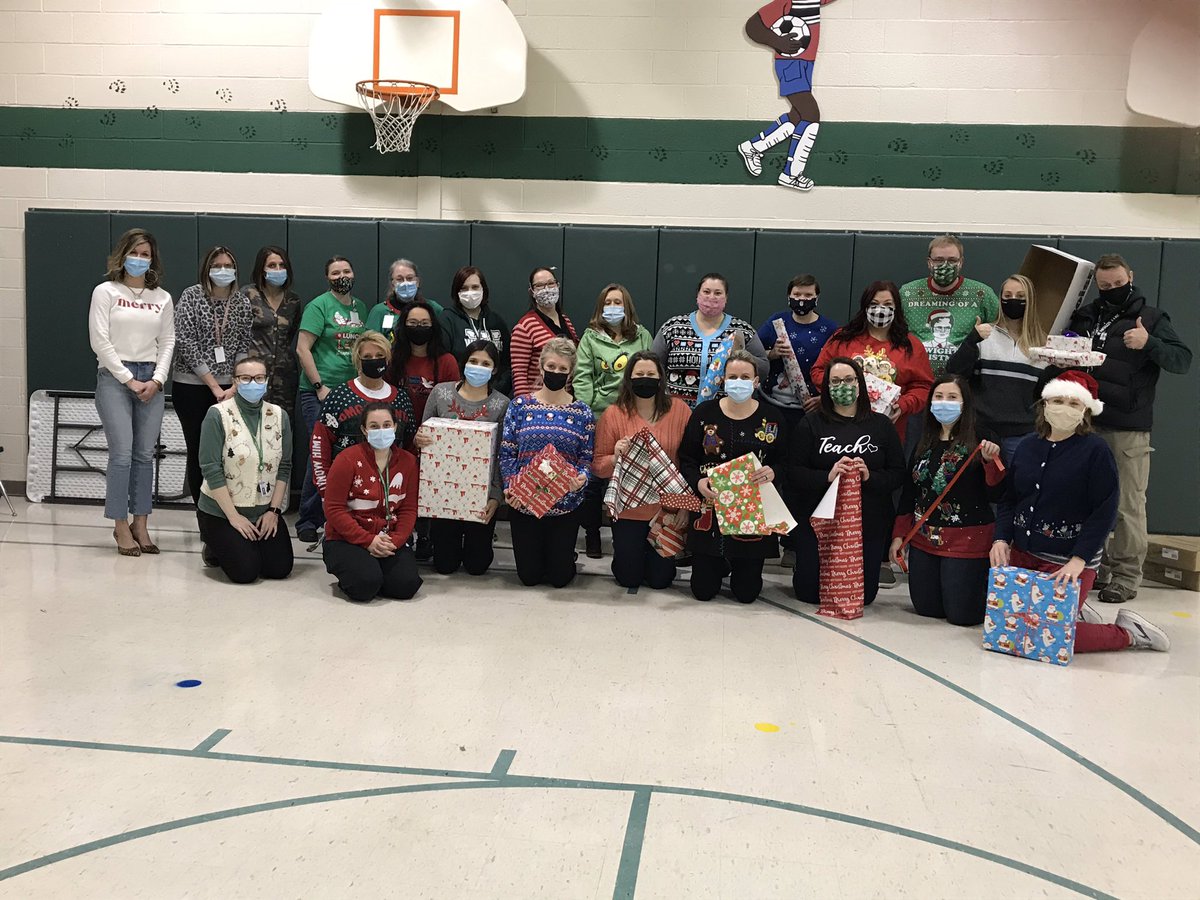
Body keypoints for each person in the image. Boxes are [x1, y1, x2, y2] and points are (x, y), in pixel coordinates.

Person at [991, 371, 1169, 652]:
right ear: (1045, 404)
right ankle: (1077, 611)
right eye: (1058, 400)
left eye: (1074, 403)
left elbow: (1104, 510)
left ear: (1086, 411)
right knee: (1006, 627)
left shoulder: (1095, 451)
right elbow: (1009, 499)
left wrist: (1079, 559)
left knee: (1046, 638)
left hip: (1067, 563)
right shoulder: (1027, 446)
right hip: (1023, 555)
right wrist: (1001, 539)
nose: (1064, 408)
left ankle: (1129, 633)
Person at [1069, 254, 1193, 605]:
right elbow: (1065, 344)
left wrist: (1149, 342)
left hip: (1127, 427)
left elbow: (1182, 360)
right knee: (1086, 503)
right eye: (1105, 286)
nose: (1112, 290)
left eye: (1118, 284)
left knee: (1127, 505)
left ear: (1131, 277)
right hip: (1083, 423)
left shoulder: (1152, 318)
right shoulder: (1087, 316)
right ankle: (1097, 568)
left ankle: (1125, 575)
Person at [789, 357, 906, 608]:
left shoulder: (881, 426)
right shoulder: (811, 423)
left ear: (860, 383)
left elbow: (897, 473)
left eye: (849, 379)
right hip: (818, 520)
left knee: (863, 597)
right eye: (836, 381)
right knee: (810, 593)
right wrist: (826, 476)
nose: (843, 385)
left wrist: (870, 476)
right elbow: (793, 472)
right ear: (827, 387)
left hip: (866, 522)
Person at [889, 375, 1004, 626]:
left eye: (952, 397)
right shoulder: (924, 439)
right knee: (927, 609)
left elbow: (998, 493)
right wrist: (899, 536)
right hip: (924, 538)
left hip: (966, 540)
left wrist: (988, 463)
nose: (944, 403)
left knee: (961, 616)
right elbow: (910, 491)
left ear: (965, 404)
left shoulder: (982, 438)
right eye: (939, 397)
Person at [88, 228, 176, 555]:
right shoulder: (105, 292)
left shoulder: (162, 298)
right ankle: (119, 524)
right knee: (122, 453)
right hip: (115, 377)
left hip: (151, 378)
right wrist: (128, 379)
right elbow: (100, 340)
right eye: (134, 253)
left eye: (145, 255)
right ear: (122, 256)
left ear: (153, 260)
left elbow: (167, 341)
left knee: (144, 455)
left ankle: (141, 522)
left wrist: (157, 379)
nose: (139, 260)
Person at [677, 350, 790, 604]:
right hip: (710, 507)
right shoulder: (704, 413)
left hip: (751, 513)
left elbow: (786, 461)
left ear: (756, 382)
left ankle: (736, 565)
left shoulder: (772, 417)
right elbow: (687, 457)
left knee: (747, 594)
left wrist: (774, 472)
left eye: (745, 377)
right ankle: (718, 564)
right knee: (703, 591)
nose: (739, 381)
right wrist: (697, 481)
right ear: (723, 381)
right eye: (733, 376)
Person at [499, 337, 594, 589]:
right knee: (528, 577)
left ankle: (565, 557)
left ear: (571, 373)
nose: (556, 373)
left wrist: (581, 479)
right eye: (551, 367)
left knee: (559, 579)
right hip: (524, 503)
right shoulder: (519, 406)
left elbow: (586, 458)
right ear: (541, 368)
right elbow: (507, 452)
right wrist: (510, 486)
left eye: (563, 369)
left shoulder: (583, 412)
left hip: (565, 504)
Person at [593, 351, 693, 590]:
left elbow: (689, 462)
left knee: (661, 581)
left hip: (666, 510)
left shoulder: (680, 411)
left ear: (661, 378)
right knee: (629, 577)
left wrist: (685, 506)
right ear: (629, 378)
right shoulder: (613, 414)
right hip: (629, 509)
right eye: (639, 374)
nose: (645, 378)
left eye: (651, 374)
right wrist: (616, 457)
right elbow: (597, 466)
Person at [413, 340, 510, 576]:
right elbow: (423, 437)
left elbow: (502, 455)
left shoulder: (502, 404)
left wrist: (496, 498)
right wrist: (419, 440)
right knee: (445, 565)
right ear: (463, 363)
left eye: (485, 363)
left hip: (481, 495)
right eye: (473, 361)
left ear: (494, 369)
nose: (478, 367)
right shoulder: (440, 393)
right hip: (443, 495)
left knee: (477, 566)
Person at [196, 356, 294, 583]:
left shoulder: (279, 416)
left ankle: (248, 544)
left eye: (259, 378)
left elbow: (284, 466)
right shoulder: (217, 415)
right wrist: (234, 517)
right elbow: (210, 469)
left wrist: (273, 512)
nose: (253, 383)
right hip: (223, 510)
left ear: (267, 381)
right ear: (235, 381)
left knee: (279, 569)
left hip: (263, 509)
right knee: (245, 573)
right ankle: (214, 544)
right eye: (246, 378)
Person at [573, 283, 654, 558]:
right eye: (608, 303)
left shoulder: (642, 336)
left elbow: (649, 369)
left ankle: (626, 535)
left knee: (630, 476)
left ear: (627, 306)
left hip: (633, 412)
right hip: (598, 415)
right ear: (600, 307)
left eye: (618, 302)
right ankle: (593, 533)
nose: (613, 308)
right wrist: (588, 412)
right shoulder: (590, 338)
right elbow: (582, 376)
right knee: (597, 480)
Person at [294, 256, 369, 543]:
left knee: (349, 455)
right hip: (320, 392)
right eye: (336, 272)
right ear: (328, 277)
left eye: (347, 270)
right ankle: (308, 519)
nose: (342, 276)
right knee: (319, 456)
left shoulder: (360, 307)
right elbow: (303, 349)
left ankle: (339, 515)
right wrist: (319, 385)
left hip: (352, 391)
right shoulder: (319, 306)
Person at [172, 245, 253, 504]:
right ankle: (203, 514)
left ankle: (226, 511)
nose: (223, 270)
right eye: (217, 266)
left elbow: (244, 344)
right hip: (192, 386)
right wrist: (213, 385)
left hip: (230, 388)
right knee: (200, 451)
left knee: (228, 452)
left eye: (228, 266)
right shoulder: (192, 296)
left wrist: (235, 384)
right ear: (207, 269)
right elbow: (185, 342)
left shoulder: (241, 301)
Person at [322, 402, 422, 603]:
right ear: (364, 430)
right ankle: (363, 574)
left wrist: (395, 541)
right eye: (374, 426)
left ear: (395, 427)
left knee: (406, 586)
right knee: (364, 587)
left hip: (387, 537)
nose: (381, 430)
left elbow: (409, 509)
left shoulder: (408, 462)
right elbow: (333, 509)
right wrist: (368, 541)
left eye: (387, 425)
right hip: (347, 538)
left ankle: (375, 571)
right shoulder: (347, 459)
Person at [736, 0, 841, 191]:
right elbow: (752, 26)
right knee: (811, 114)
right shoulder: (786, 2)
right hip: (790, 64)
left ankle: (752, 148)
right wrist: (777, 41)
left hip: (806, 63)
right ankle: (791, 174)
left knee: (798, 116)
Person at [945, 274, 1049, 462]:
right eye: (1007, 296)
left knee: (1018, 488)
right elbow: (954, 372)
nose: (1013, 301)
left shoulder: (1043, 346)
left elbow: (1045, 394)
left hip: (1023, 435)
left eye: (1020, 297)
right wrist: (972, 340)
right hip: (981, 432)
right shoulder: (984, 335)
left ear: (1031, 301)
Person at [811, 280, 934, 437]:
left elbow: (924, 386)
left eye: (888, 304)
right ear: (865, 306)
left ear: (897, 307)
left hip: (888, 429)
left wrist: (902, 405)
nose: (880, 309)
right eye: (874, 303)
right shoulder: (843, 338)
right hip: (840, 425)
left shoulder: (911, 345)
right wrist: (838, 388)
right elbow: (818, 371)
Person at [311, 331, 416, 512]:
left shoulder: (401, 398)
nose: (374, 360)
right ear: (358, 361)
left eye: (379, 356)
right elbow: (320, 446)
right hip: (346, 495)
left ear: (388, 359)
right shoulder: (339, 396)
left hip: (390, 496)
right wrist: (327, 492)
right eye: (367, 357)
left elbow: (410, 447)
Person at [652, 273, 769, 408]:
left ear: (726, 298)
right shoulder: (673, 327)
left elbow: (764, 368)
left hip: (723, 412)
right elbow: (654, 364)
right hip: (675, 410)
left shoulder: (742, 330)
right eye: (706, 292)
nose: (711, 297)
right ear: (698, 295)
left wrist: (740, 355)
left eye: (718, 293)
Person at [899, 234, 1000, 377]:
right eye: (939, 260)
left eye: (952, 260)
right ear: (929, 262)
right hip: (916, 381)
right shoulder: (908, 293)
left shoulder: (981, 294)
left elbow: (1003, 329)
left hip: (962, 382)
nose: (945, 265)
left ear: (961, 262)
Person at [756, 273, 837, 416]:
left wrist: (825, 398)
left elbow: (839, 370)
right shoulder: (776, 321)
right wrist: (772, 353)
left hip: (811, 408)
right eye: (797, 294)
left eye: (808, 295)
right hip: (772, 402)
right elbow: (754, 353)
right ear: (789, 296)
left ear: (817, 297)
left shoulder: (829, 329)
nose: (802, 299)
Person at [244, 245, 301, 429]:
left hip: (285, 378)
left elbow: (290, 335)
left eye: (281, 265)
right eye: (272, 265)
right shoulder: (248, 295)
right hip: (253, 376)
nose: (277, 270)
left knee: (281, 428)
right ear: (262, 269)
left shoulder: (293, 301)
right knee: (250, 426)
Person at [438, 265, 512, 396]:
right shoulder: (447, 319)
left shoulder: (497, 321)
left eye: (475, 287)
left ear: (483, 289)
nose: (470, 292)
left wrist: (496, 392)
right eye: (464, 288)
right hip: (459, 394)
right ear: (456, 292)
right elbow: (443, 362)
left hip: (494, 396)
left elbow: (507, 363)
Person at [387, 298, 460, 425]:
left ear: (433, 326)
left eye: (425, 323)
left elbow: (452, 406)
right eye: (413, 323)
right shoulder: (392, 359)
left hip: (434, 432)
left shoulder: (447, 362)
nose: (419, 327)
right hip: (398, 430)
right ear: (403, 326)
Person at [509, 266, 578, 397]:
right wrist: (525, 405)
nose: (547, 289)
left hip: (564, 399)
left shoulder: (566, 321)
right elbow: (519, 373)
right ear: (532, 291)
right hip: (536, 402)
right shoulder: (525, 326)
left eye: (551, 283)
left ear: (557, 285)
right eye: (540, 286)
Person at [366, 258, 445, 344]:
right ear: (392, 285)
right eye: (399, 279)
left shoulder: (432, 308)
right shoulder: (379, 311)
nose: (405, 283)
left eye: (410, 278)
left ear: (417, 282)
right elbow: (369, 343)